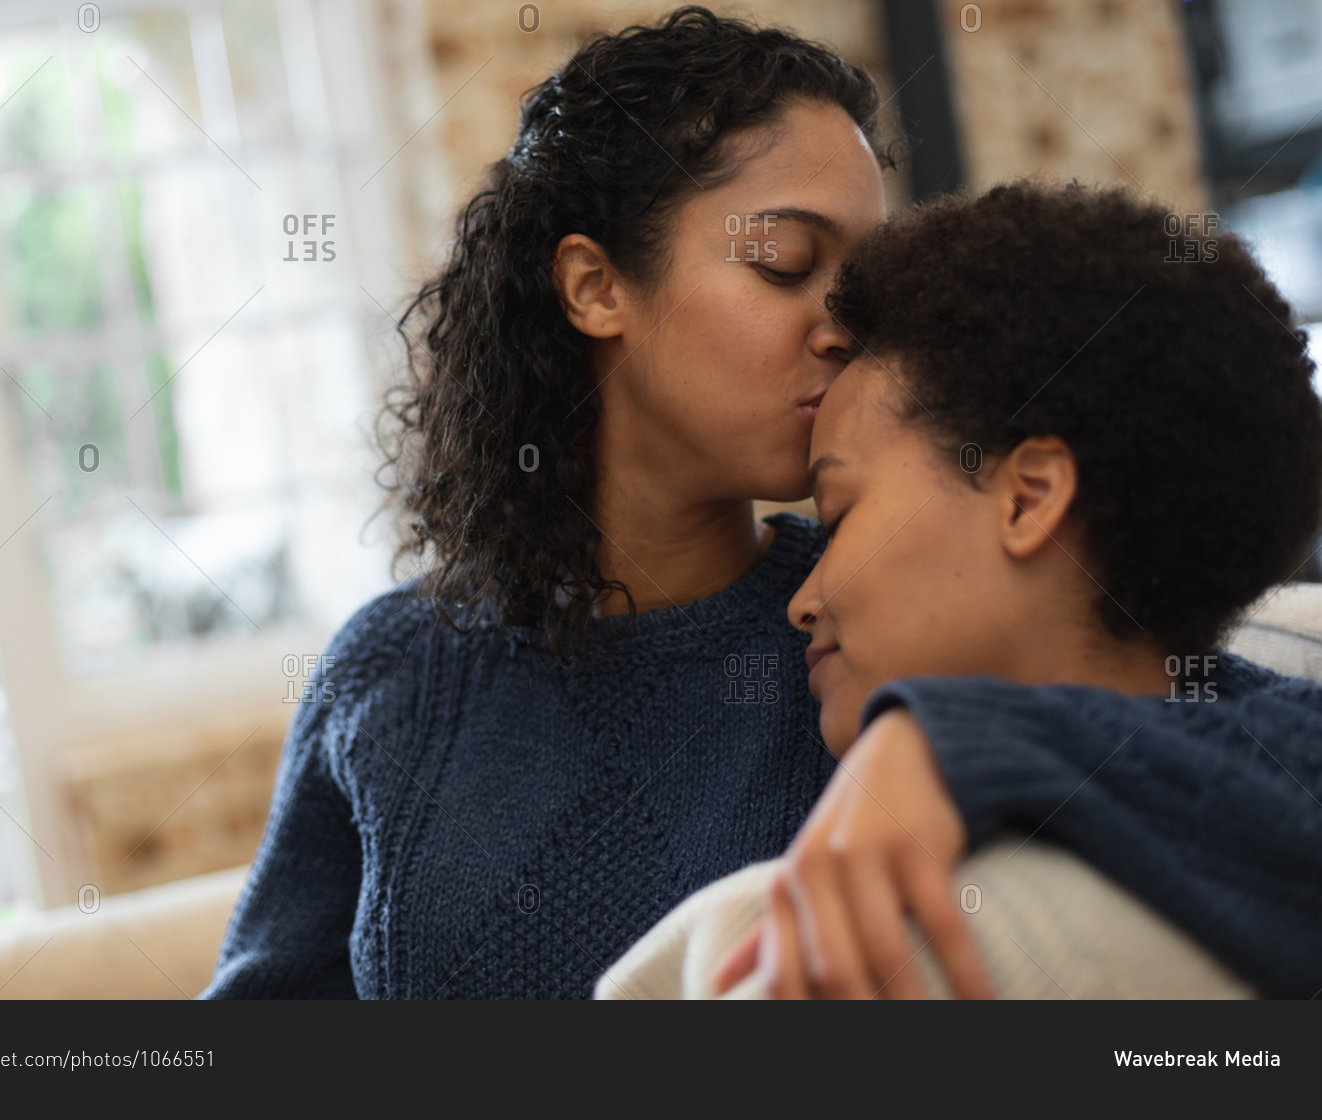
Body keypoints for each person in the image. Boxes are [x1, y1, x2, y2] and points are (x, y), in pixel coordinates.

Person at [202, 10, 1321, 1000]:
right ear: (596, 287)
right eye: (787, 261)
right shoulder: (389, 676)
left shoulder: (882, 629)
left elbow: (1286, 751)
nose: (845, 323)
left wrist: (948, 743)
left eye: (865, 279)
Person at [599, 182, 1322, 1000]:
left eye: (837, 517)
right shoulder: (1267, 798)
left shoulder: (801, 951)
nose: (801, 600)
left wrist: (955, 735)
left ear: (1027, 497)